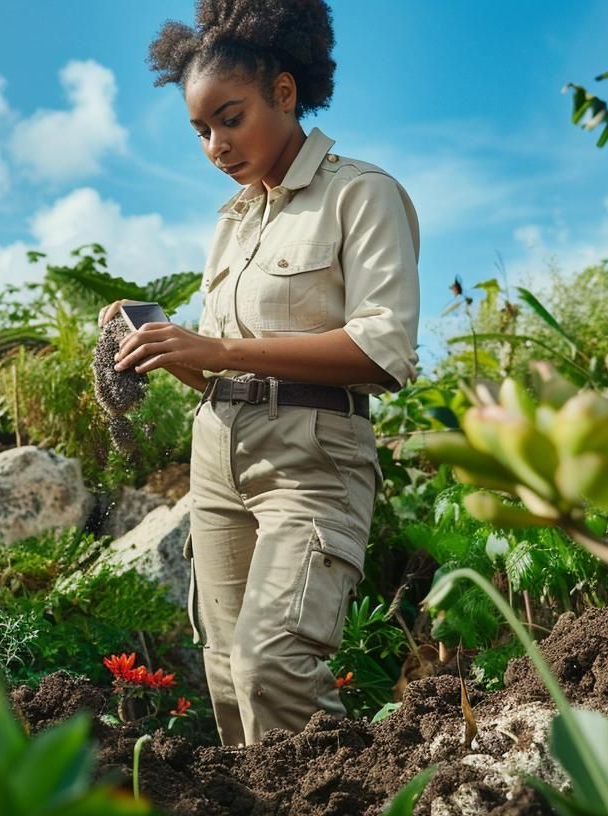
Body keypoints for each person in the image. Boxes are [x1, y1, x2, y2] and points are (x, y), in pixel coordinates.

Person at [99, 0, 420, 746]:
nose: (215, 144)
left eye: (230, 118)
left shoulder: (360, 194)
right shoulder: (233, 219)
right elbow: (218, 368)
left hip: (312, 458)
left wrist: (218, 351)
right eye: (200, 129)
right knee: (225, 671)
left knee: (274, 664)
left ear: (283, 92)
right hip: (218, 453)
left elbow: (384, 350)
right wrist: (160, 345)